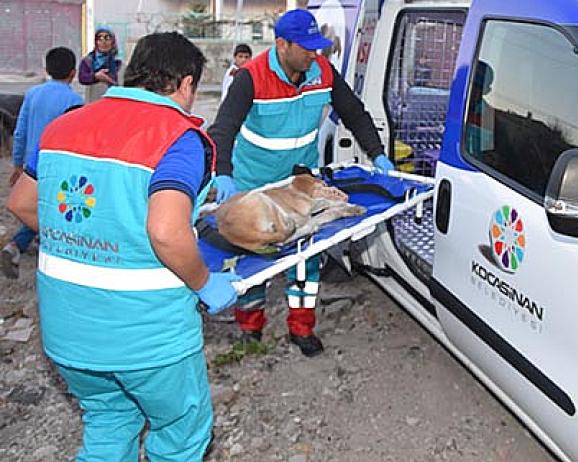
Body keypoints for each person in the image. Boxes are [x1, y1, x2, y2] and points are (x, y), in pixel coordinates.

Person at [6, 32, 240, 461]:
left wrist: (91, 240)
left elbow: (21, 202)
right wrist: (205, 282)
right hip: (146, 338)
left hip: (67, 332)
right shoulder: (177, 137)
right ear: (186, 84)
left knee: (110, 421)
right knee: (180, 435)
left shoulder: (65, 126)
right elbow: (167, 232)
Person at [208, 8, 394, 357]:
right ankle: (250, 327)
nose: (315, 53)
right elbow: (224, 128)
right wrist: (224, 173)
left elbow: (353, 112)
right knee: (253, 260)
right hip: (254, 186)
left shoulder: (322, 72)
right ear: (282, 44)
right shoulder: (251, 77)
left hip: (299, 184)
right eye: (307, 47)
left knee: (305, 260)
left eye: (317, 46)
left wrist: (377, 153)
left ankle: (302, 328)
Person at [1, 47, 83, 280]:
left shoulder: (33, 93)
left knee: (37, 206)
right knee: (51, 208)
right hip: (56, 163)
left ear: (46, 69)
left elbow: (20, 130)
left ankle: (22, 245)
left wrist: (18, 164)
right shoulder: (74, 100)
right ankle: (19, 245)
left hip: (31, 162)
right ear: (73, 73)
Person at [78, 26, 122, 102]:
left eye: (107, 38)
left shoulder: (118, 62)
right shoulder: (88, 61)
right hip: (92, 102)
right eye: (100, 39)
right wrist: (95, 77)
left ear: (113, 41)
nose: (103, 42)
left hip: (113, 103)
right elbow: (82, 78)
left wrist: (111, 81)